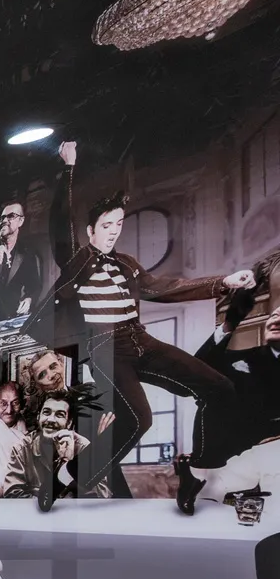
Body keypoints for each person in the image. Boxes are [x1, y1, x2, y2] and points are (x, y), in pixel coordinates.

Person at [35, 140, 252, 505]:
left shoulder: (128, 264)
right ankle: (69, 474)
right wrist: (68, 169)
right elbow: (61, 223)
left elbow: (164, 288)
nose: (113, 231)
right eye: (106, 225)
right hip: (106, 349)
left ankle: (196, 472)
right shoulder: (78, 260)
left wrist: (223, 282)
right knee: (139, 419)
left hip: (140, 341)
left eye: (118, 224)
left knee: (218, 387)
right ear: (90, 231)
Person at [192, 294, 280, 505]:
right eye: (274, 314)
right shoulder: (242, 359)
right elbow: (197, 370)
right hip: (232, 469)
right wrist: (231, 322)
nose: (276, 319)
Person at [0, 387, 108, 509]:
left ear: (69, 422)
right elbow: (12, 495)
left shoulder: (82, 447)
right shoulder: (22, 449)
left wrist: (69, 464)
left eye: (59, 415)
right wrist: (50, 504)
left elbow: (104, 495)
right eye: (46, 412)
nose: (51, 420)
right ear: (39, 416)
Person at [0, 199, 52, 328]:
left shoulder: (27, 255)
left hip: (8, 323)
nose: (5, 221)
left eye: (11, 216)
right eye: (2, 218)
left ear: (21, 221)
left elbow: (34, 286)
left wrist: (29, 299)